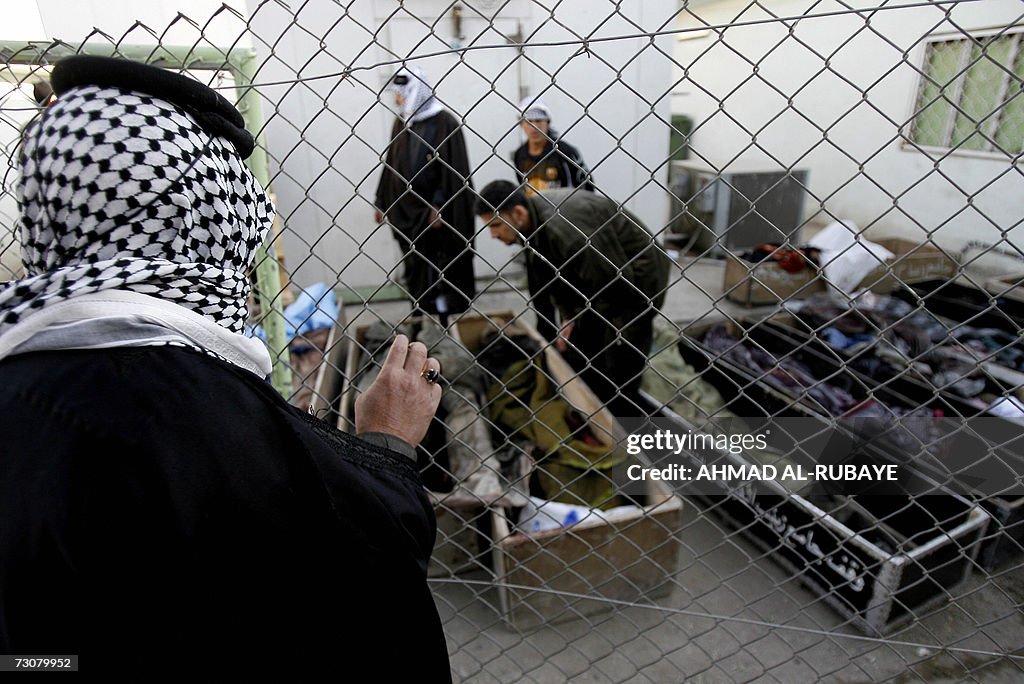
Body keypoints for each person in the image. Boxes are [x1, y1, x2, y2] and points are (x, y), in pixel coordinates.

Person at [0, 56, 452, 680]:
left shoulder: (20, 374)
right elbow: (359, 563)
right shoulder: (187, 407)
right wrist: (388, 444)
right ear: (192, 216)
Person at [475, 180, 671, 416]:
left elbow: (613, 283)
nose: (493, 235)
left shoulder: (565, 231)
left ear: (518, 212)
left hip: (639, 278)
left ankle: (625, 415)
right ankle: (600, 399)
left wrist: (579, 318)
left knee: (622, 355)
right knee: (585, 344)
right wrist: (569, 316)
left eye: (496, 225)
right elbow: (549, 277)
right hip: (604, 270)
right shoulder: (533, 221)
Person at [375, 66, 476, 325]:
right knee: (416, 269)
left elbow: (454, 172)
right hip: (407, 213)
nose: (397, 99)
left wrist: (440, 206)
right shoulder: (403, 121)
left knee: (439, 268)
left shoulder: (445, 123)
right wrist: (382, 201)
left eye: (401, 93)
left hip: (434, 217)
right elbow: (391, 165)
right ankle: (421, 313)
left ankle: (444, 319)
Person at [512, 96, 594, 195]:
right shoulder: (519, 155)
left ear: (547, 123)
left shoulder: (564, 152)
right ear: (521, 124)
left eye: (539, 120)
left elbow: (586, 186)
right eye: (529, 122)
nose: (534, 127)